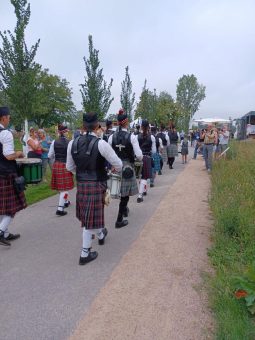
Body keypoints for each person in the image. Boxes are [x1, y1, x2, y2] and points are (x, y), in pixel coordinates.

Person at [66, 112, 122, 265]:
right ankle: (85, 254)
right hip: (97, 183)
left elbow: (69, 167)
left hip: (82, 184)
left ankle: (101, 233)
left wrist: (83, 174)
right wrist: (111, 170)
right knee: (89, 220)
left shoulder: (72, 143)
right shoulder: (101, 144)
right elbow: (118, 164)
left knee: (88, 216)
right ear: (97, 126)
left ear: (83, 125)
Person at [108, 109, 143, 227]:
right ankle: (119, 219)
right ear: (126, 122)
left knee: (119, 191)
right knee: (125, 194)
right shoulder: (132, 137)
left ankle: (124, 209)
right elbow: (139, 155)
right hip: (127, 166)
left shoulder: (111, 137)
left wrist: (112, 165)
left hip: (115, 166)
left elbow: (108, 153)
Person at [0, 107, 27, 246]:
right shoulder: (5, 134)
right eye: (8, 117)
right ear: (3, 118)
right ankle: (0, 232)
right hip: (6, 174)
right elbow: (8, 155)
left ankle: (5, 233)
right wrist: (19, 153)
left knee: (1, 207)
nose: (9, 119)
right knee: (13, 206)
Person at [48, 124, 74, 216]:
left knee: (61, 187)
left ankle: (65, 201)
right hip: (66, 165)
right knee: (65, 189)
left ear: (59, 132)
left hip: (57, 164)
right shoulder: (70, 142)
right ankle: (60, 209)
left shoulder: (54, 142)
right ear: (66, 132)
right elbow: (73, 156)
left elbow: (49, 156)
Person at [137, 119, 156, 203]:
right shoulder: (151, 137)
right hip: (147, 157)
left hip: (138, 157)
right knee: (145, 176)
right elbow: (154, 150)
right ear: (149, 127)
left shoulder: (137, 136)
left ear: (141, 127)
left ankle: (144, 191)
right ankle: (140, 195)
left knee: (140, 175)